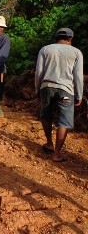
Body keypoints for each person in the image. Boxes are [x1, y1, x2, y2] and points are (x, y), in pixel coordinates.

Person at [35, 28, 83, 162]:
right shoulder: (76, 52)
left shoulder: (45, 49)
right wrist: (79, 95)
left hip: (47, 87)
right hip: (66, 90)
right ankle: (56, 154)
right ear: (70, 39)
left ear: (56, 37)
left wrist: (37, 88)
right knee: (64, 121)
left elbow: (39, 72)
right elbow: (78, 76)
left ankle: (49, 143)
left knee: (46, 115)